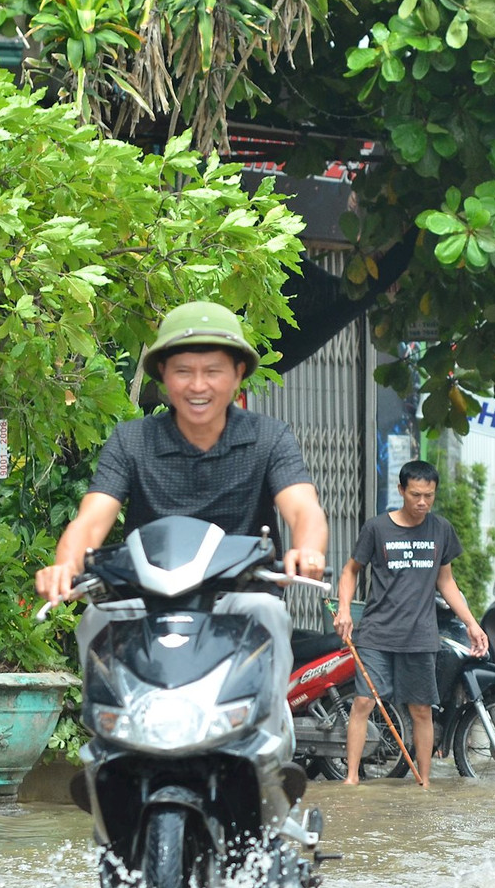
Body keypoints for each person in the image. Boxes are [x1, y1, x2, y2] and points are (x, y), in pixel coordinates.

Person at [34, 301, 328, 743]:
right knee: (94, 619)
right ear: (164, 377)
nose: (198, 385)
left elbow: (303, 508)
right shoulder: (132, 440)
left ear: (238, 375)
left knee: (268, 611)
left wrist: (307, 549)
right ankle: (109, 742)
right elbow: (92, 518)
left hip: (237, 599)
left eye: (213, 371)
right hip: (145, 603)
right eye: (183, 371)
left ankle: (264, 743)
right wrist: (65, 565)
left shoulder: (270, 438)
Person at [333, 460, 488, 784]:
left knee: (421, 709)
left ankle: (425, 784)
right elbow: (350, 570)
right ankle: (351, 779)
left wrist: (472, 624)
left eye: (429, 496)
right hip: (376, 632)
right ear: (401, 490)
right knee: (363, 702)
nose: (422, 502)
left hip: (420, 635)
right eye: (415, 494)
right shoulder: (377, 528)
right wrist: (344, 609)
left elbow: (446, 582)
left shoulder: (440, 529)